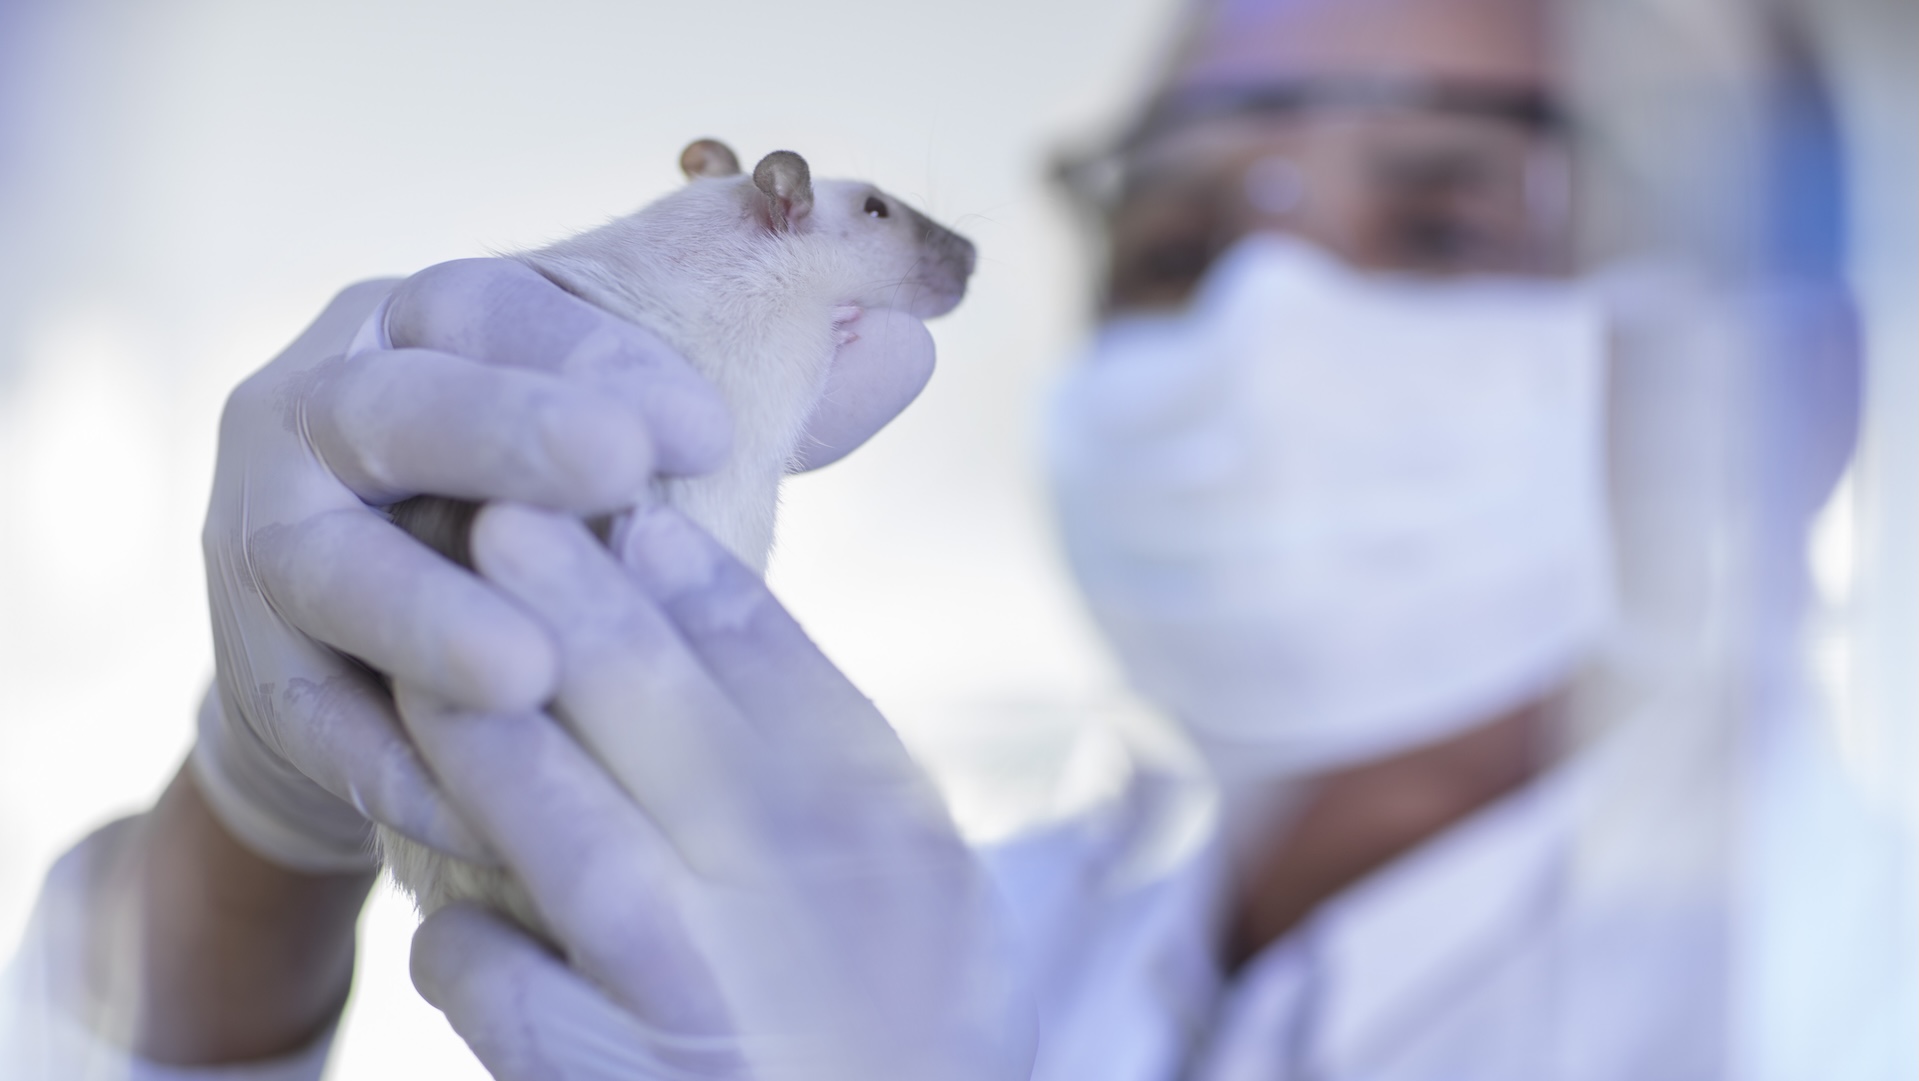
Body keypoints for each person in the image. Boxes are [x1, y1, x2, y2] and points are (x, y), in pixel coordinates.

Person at [0, 0, 1886, 1077]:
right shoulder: (979, 927)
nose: (1255, 332)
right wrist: (267, 811)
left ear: (1791, 386)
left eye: (1451, 223)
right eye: (1175, 246)